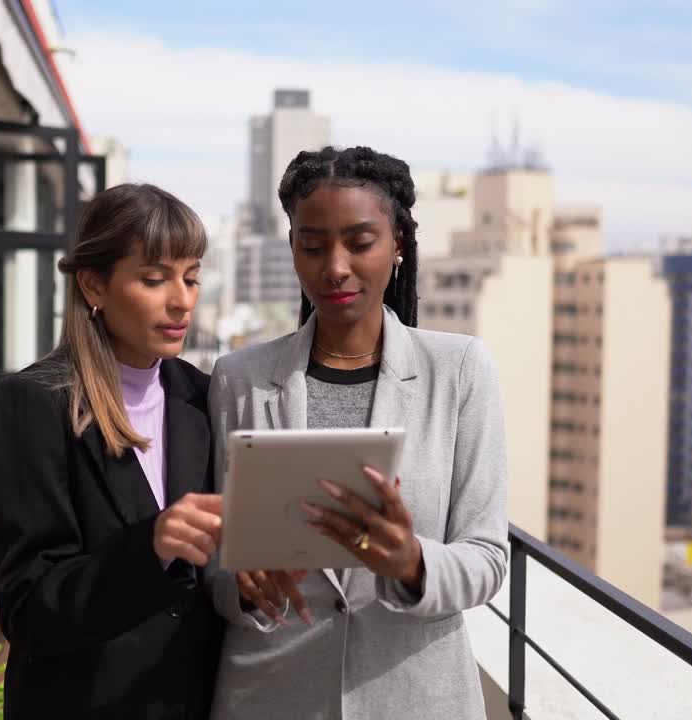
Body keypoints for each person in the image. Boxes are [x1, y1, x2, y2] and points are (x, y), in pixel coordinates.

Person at [207, 146, 509, 719]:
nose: (335, 266)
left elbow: (488, 557)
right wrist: (245, 586)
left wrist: (412, 561)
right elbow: (216, 566)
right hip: (271, 696)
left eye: (360, 243)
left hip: (414, 698)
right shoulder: (237, 378)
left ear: (397, 244)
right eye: (313, 245)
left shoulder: (461, 370)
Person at [0, 183, 224, 719]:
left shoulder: (203, 396)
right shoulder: (32, 404)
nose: (181, 300)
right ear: (94, 284)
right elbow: (27, 608)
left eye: (191, 277)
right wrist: (151, 547)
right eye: (154, 278)